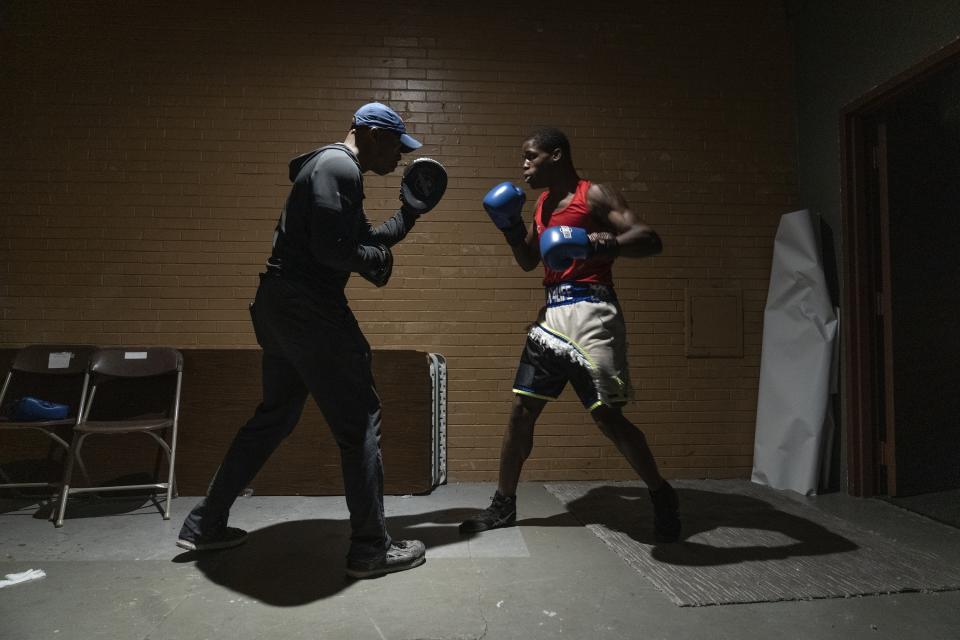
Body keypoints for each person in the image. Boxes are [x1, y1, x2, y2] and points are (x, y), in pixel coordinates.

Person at [177, 102, 444, 579]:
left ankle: (205, 523)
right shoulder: (340, 166)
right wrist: (369, 262)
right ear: (369, 133)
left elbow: (365, 241)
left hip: (279, 309)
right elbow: (333, 251)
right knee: (360, 421)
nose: (401, 159)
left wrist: (410, 214)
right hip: (309, 311)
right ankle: (370, 549)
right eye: (396, 147)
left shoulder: (332, 170)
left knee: (274, 417)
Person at [460, 127, 681, 542]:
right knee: (520, 412)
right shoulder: (541, 204)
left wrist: (597, 245)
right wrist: (509, 228)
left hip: (593, 313)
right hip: (551, 318)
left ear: (556, 155)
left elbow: (649, 239)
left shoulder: (593, 195)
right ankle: (503, 504)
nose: (524, 165)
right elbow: (529, 260)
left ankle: (662, 495)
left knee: (607, 418)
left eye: (531, 156)